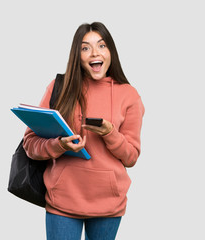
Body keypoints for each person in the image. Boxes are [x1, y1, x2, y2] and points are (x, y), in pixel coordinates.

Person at [23, 22, 145, 240]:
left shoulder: (129, 95)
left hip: (109, 205)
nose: (94, 53)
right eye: (85, 48)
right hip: (62, 201)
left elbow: (131, 157)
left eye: (101, 46)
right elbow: (30, 144)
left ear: (111, 52)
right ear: (77, 55)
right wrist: (59, 145)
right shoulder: (59, 87)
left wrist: (109, 133)